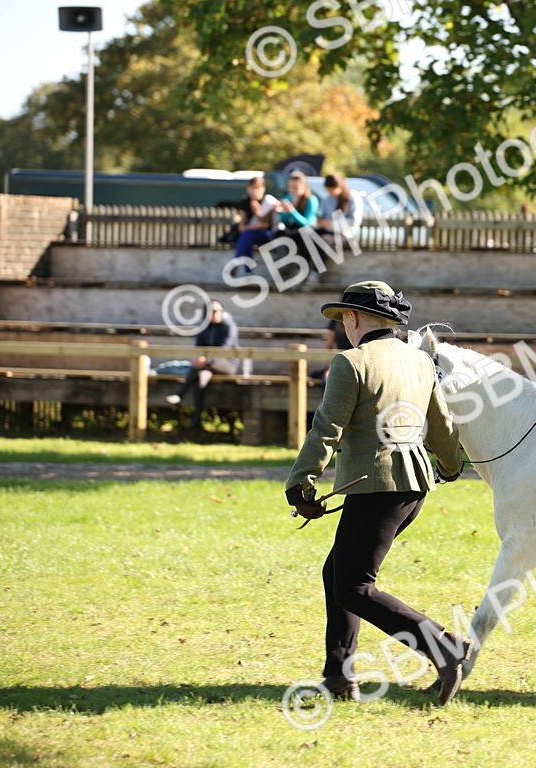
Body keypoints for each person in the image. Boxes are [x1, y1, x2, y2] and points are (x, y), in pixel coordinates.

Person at [285, 281, 470, 705]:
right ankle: (337, 676)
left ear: (353, 319)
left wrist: (301, 481)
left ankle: (443, 647)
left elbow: (326, 428)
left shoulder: (351, 362)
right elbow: (441, 424)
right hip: (414, 489)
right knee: (338, 574)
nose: (343, 328)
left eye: (343, 320)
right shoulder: (422, 361)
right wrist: (451, 466)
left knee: (353, 585)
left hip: (375, 489)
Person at [165, 300, 239, 430]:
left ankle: (180, 395)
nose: (216, 314)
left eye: (218, 311)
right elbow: (198, 348)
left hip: (227, 364)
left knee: (198, 369)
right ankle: (196, 422)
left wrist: (207, 360)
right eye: (212, 311)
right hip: (206, 366)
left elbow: (225, 349)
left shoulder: (229, 326)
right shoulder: (204, 328)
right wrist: (200, 358)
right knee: (200, 380)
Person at [232, 176, 279, 261]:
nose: (254, 191)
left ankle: (238, 261)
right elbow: (241, 227)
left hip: (268, 234)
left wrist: (258, 213)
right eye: (251, 188)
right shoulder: (245, 201)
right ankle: (246, 268)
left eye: (257, 188)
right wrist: (250, 227)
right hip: (250, 233)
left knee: (247, 235)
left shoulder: (268, 201)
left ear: (263, 188)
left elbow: (265, 225)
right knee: (247, 236)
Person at [317, 173, 363, 250]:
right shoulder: (327, 199)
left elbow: (354, 221)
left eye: (331, 190)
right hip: (328, 231)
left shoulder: (352, 197)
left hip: (346, 234)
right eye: (328, 191)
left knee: (320, 241)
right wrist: (321, 221)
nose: (330, 193)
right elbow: (322, 215)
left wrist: (332, 224)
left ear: (339, 186)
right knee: (303, 236)